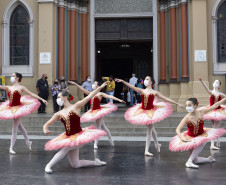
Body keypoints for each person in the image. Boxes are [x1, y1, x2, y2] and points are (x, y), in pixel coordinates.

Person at [43, 83, 108, 174]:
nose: (57, 99)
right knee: (75, 164)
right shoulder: (59, 113)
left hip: (79, 136)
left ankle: (48, 166)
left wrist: (101, 87)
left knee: (65, 148)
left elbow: (90, 96)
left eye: (59, 97)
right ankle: (96, 163)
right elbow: (47, 123)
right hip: (68, 137)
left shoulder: (76, 106)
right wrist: (45, 128)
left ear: (65, 97)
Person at [115, 76, 183, 156]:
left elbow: (166, 99)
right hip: (143, 111)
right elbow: (131, 86)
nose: (145, 81)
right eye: (145, 79)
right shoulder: (141, 90)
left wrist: (177, 103)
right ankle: (157, 144)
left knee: (149, 130)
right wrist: (123, 81)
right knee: (151, 128)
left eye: (147, 79)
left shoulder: (155, 92)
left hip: (151, 112)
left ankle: (146, 150)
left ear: (151, 82)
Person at [169, 97, 226, 169]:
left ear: (196, 105)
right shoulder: (187, 117)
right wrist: (182, 138)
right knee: (195, 160)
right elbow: (178, 129)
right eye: (187, 106)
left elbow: (215, 105)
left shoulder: (202, 112)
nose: (188, 107)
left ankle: (189, 161)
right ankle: (209, 159)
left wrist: (224, 99)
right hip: (191, 137)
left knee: (202, 141)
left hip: (201, 134)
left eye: (190, 105)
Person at [0, 72, 47, 154]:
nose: (11, 77)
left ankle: (11, 147)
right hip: (10, 107)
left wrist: (42, 99)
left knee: (14, 129)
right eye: (11, 76)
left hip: (18, 109)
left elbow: (31, 94)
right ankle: (28, 142)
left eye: (13, 76)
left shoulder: (21, 87)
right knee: (20, 127)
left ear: (17, 78)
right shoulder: (9, 87)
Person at [69, 81, 125, 149]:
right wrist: (75, 84)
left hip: (98, 112)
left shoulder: (100, 94)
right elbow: (82, 89)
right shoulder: (90, 93)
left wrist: (119, 100)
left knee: (98, 127)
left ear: (98, 86)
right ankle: (111, 139)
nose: (93, 85)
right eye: (93, 84)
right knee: (104, 127)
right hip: (92, 111)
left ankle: (95, 143)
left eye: (95, 84)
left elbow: (109, 96)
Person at [198, 78, 226, 150]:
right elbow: (206, 88)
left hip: (219, 111)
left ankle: (214, 142)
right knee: (214, 127)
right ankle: (215, 140)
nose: (215, 83)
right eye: (214, 82)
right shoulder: (211, 92)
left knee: (214, 127)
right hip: (211, 111)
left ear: (219, 85)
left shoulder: (220, 94)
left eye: (217, 82)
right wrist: (202, 81)